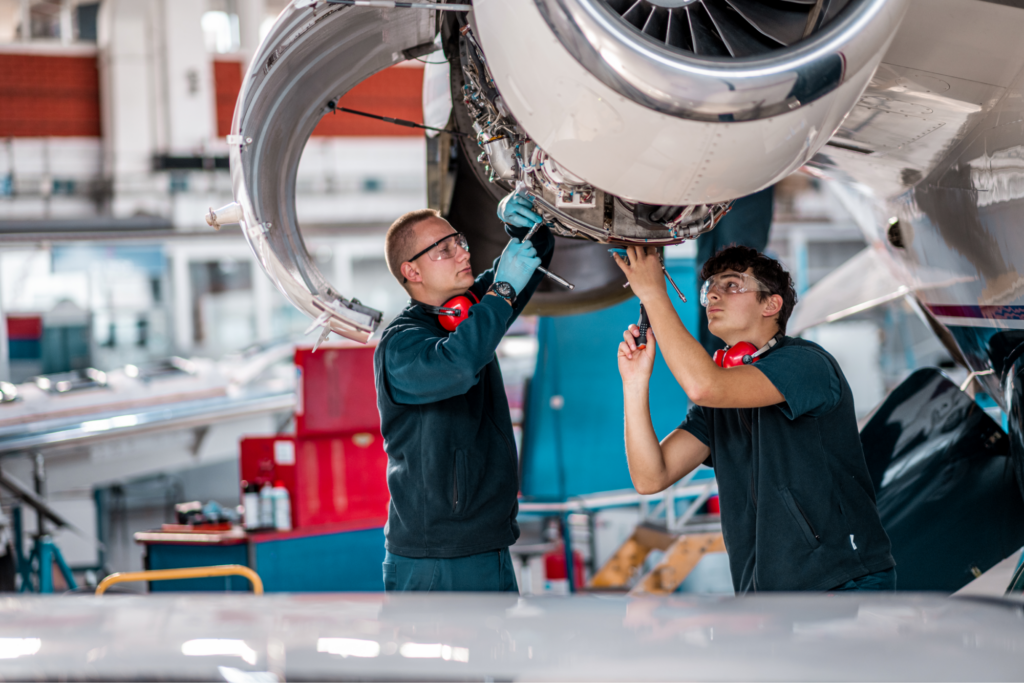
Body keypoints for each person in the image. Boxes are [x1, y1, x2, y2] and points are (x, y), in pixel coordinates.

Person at [612, 244, 895, 593]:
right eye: (710, 288)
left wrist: (654, 293)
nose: (713, 294)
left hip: (841, 582)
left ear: (771, 305)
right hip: (767, 596)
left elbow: (704, 385)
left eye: (731, 285)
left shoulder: (806, 365)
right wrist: (635, 383)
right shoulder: (721, 400)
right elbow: (650, 477)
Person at [374, 192, 551, 592]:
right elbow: (456, 365)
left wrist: (518, 222)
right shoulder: (401, 345)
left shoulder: (468, 313)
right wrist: (501, 289)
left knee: (496, 655)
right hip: (435, 557)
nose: (461, 254)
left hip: (489, 542)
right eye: (443, 250)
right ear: (412, 272)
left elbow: (532, 257)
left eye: (460, 242)